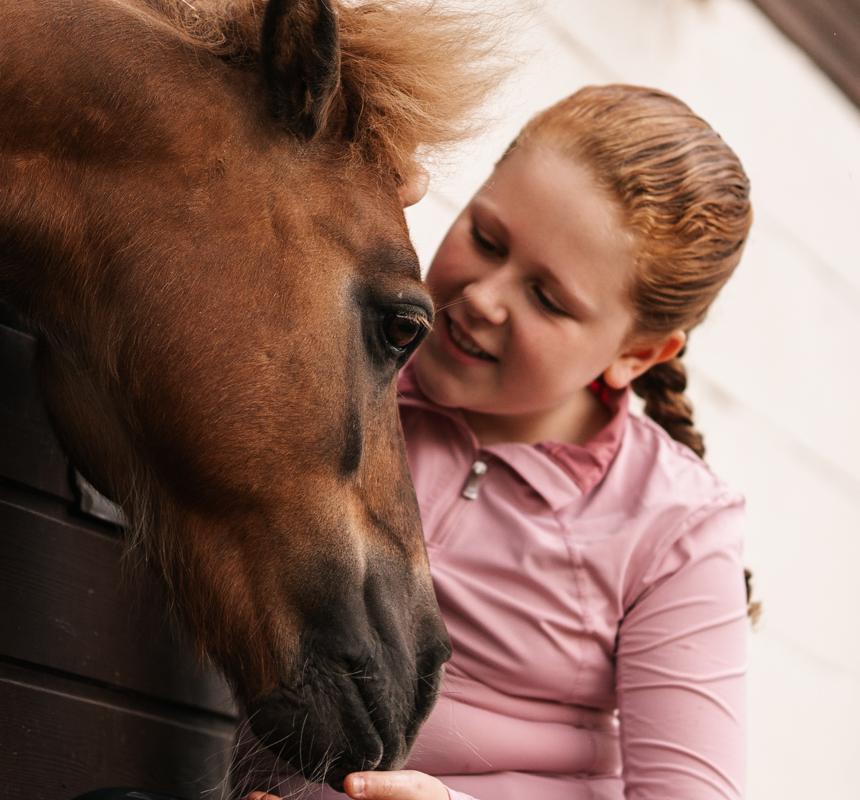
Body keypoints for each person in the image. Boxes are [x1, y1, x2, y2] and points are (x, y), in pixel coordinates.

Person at [257, 84, 754, 800]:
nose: (485, 298)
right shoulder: (354, 366)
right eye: (485, 239)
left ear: (638, 354)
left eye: (548, 299)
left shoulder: (669, 525)